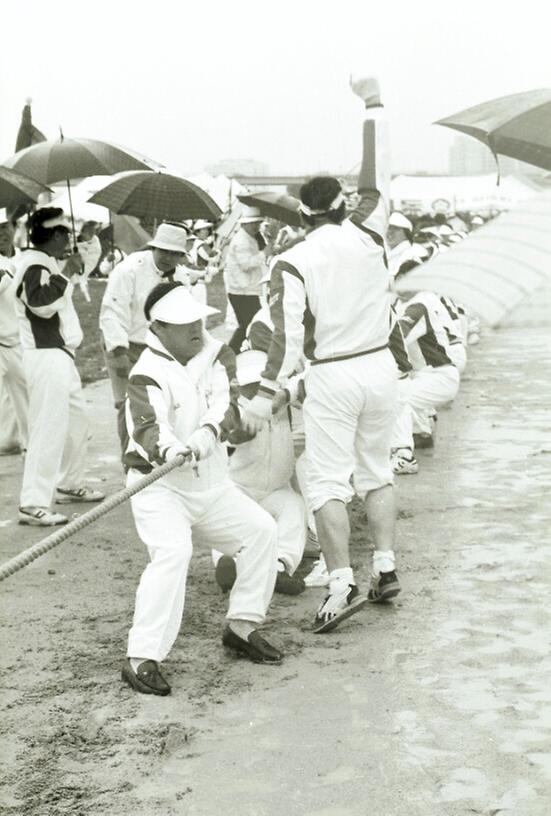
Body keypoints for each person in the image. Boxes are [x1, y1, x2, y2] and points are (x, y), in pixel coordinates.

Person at [241, 75, 401, 634]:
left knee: (328, 480)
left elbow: (282, 339)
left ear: (301, 214)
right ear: (343, 203)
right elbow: (378, 171)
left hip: (333, 374)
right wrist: (373, 103)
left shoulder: (293, 257)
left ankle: (340, 583)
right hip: (381, 365)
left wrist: (263, 396)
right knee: (377, 472)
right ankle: (385, 565)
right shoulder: (371, 229)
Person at [121, 282, 283, 696]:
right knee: (173, 553)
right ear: (157, 328)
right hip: (159, 486)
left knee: (261, 532)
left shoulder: (217, 352)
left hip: (210, 482)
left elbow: (225, 404)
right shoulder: (145, 373)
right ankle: (141, 657)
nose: (195, 327)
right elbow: (146, 430)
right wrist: (174, 447)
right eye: (182, 322)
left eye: (196, 318)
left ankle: (242, 627)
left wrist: (209, 432)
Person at [12, 207, 105, 526]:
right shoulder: (33, 264)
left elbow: (81, 270)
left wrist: (76, 258)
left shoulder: (47, 261)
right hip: (45, 355)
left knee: (76, 424)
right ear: (52, 235)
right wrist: (66, 274)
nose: (69, 236)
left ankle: (69, 483)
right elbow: (40, 305)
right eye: (65, 232)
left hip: (61, 355)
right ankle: (33, 502)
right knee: (47, 428)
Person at [214, 349, 306, 596]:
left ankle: (279, 567)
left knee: (295, 508)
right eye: (249, 385)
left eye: (260, 385)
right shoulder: (233, 410)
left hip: (276, 490)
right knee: (225, 521)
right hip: (239, 489)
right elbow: (232, 436)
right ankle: (230, 565)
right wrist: (241, 431)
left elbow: (306, 386)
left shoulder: (282, 401)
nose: (255, 391)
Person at [99, 222, 193, 411]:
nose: (168, 257)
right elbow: (112, 313)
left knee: (160, 404)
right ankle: (128, 439)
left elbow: (184, 317)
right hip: (124, 343)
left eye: (175, 253)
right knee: (127, 405)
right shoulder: (129, 269)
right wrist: (119, 353)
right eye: (164, 251)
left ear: (182, 256)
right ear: (154, 247)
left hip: (156, 347)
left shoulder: (182, 278)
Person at [390, 289, 461, 473]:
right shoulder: (422, 301)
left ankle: (404, 456)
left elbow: (399, 335)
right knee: (406, 385)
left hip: (439, 375)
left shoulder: (418, 305)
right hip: (436, 372)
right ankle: (421, 434)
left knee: (399, 399)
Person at [0, 210, 28, 455]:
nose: (1, 233)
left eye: (4, 227)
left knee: (24, 395)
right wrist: (7, 276)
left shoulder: (24, 258)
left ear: (14, 227)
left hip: (18, 341)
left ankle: (18, 442)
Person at [223, 206, 269, 354]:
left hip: (247, 289)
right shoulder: (241, 240)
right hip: (242, 291)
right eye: (253, 223)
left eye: (258, 222)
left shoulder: (252, 237)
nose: (256, 226)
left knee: (247, 324)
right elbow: (246, 264)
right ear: (244, 224)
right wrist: (264, 254)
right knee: (249, 324)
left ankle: (236, 352)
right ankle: (232, 353)